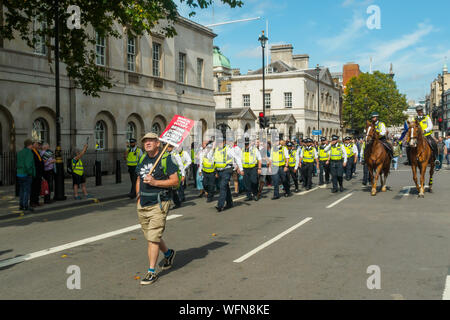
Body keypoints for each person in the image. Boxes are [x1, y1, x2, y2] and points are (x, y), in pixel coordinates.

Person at [135, 132, 179, 285]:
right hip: (143, 203)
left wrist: (155, 182)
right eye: (145, 140)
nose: (147, 143)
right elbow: (139, 178)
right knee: (151, 236)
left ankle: (151, 272)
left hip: (159, 203)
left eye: (151, 140)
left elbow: (175, 181)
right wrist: (138, 197)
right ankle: (168, 253)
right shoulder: (142, 158)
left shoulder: (166, 158)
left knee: (153, 238)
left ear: (158, 143)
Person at [212, 136, 243, 212]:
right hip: (219, 171)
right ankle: (229, 203)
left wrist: (241, 169)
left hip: (227, 170)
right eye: (218, 142)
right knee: (225, 186)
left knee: (222, 186)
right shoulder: (216, 150)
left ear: (224, 142)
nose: (220, 144)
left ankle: (220, 205)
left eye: (221, 142)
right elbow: (212, 159)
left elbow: (237, 158)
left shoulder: (228, 149)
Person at [16, 139, 36, 212]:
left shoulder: (20, 152)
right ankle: (25, 206)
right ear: (30, 145)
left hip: (19, 173)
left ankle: (21, 205)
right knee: (26, 191)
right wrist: (31, 173)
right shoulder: (29, 153)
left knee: (21, 190)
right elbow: (28, 165)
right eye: (32, 145)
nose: (33, 146)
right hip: (26, 174)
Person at [242, 137, 262, 201]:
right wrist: (239, 168)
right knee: (246, 183)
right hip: (245, 168)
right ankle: (248, 195)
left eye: (247, 144)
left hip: (253, 167)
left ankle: (255, 194)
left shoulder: (254, 149)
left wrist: (259, 168)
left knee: (254, 181)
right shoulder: (242, 150)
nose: (246, 145)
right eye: (245, 144)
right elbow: (239, 159)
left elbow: (259, 159)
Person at [165, 144, 183, 208]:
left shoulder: (175, 154)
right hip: (167, 174)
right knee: (168, 190)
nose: (167, 148)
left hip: (175, 173)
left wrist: (182, 175)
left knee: (174, 190)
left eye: (169, 147)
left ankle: (177, 203)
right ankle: (167, 204)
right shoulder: (165, 153)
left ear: (172, 147)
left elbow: (180, 165)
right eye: (167, 147)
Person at [30, 140, 44, 207]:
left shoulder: (37, 151)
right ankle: (32, 202)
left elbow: (40, 160)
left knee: (38, 188)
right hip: (35, 173)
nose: (38, 145)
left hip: (39, 173)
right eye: (36, 144)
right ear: (32, 145)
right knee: (34, 188)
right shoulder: (31, 152)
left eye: (38, 144)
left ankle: (36, 201)